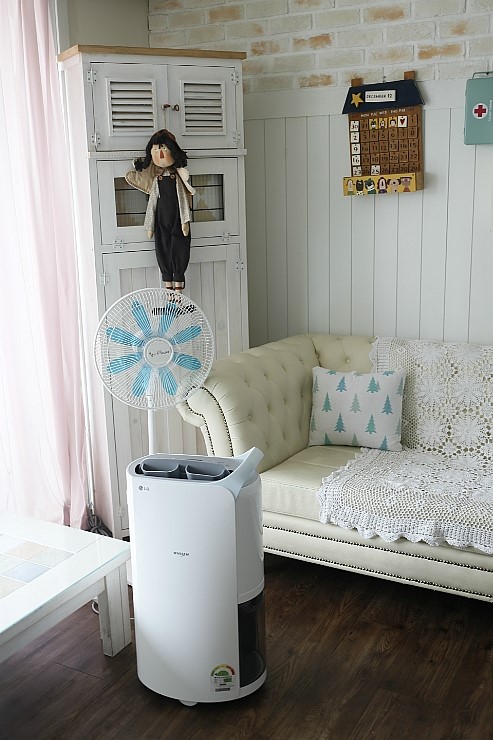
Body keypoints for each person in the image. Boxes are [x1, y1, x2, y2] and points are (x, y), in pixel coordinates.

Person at [125, 129, 195, 292]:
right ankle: (169, 288)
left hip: (177, 220)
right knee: (162, 247)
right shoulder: (157, 180)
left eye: (164, 149)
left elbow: (182, 199)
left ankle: (178, 288)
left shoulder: (177, 178)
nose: (161, 154)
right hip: (161, 221)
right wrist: (149, 225)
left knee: (180, 247)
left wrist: (185, 220)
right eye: (156, 150)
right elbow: (152, 203)